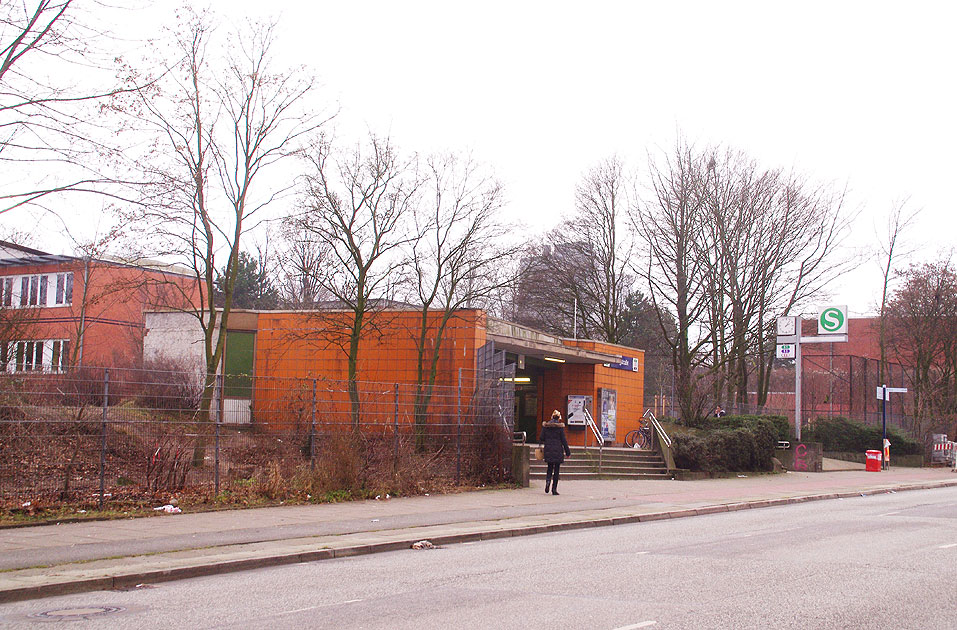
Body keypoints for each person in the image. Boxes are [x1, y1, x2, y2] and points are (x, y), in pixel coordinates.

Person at [541, 409, 571, 495]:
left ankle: (547, 483)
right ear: (559, 418)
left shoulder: (546, 426)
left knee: (549, 468)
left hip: (548, 450)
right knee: (556, 470)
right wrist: (568, 452)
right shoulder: (560, 428)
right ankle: (554, 489)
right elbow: (564, 441)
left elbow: (541, 438)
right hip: (558, 450)